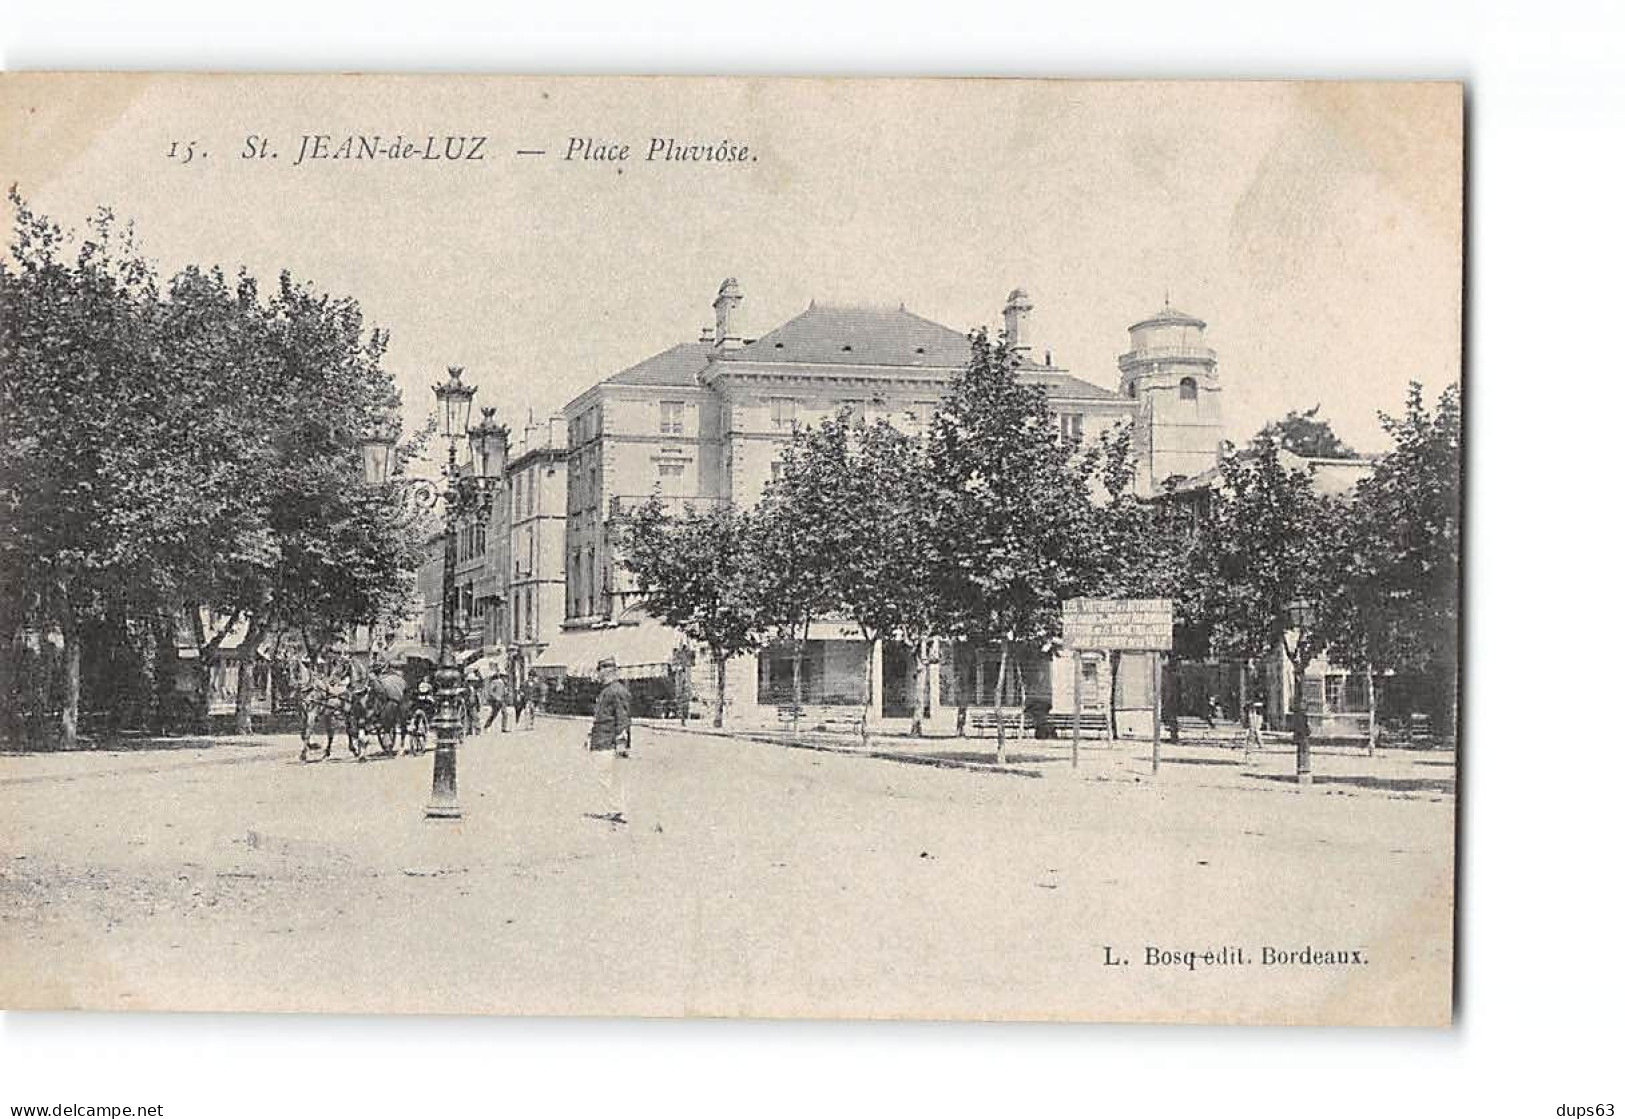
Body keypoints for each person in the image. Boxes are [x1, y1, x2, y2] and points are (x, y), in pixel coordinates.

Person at [587, 656, 633, 825]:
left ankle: (614, 809)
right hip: (602, 738)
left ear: (607, 671)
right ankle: (613, 808)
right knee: (606, 775)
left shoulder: (616, 691)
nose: (597, 675)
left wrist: (621, 744)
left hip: (608, 741)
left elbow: (622, 719)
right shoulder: (608, 690)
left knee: (608, 776)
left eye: (599, 671)